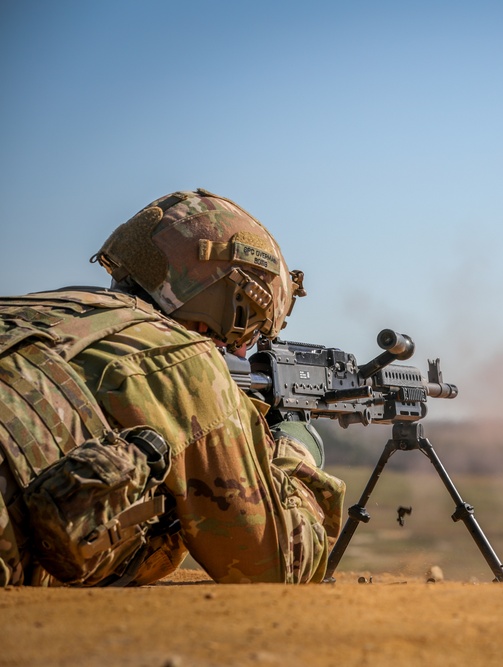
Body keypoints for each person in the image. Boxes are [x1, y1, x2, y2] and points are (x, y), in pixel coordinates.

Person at [0, 188, 345, 586]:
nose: (241, 348)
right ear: (234, 302)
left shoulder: (38, 308)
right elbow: (278, 563)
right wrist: (292, 447)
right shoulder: (183, 360)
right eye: (248, 333)